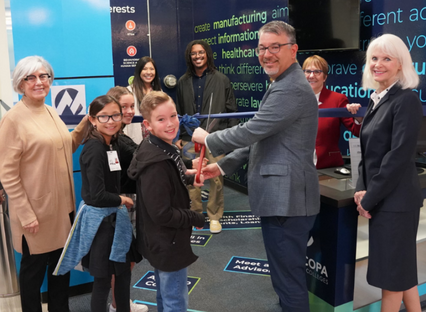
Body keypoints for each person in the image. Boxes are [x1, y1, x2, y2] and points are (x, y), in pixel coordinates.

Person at [192, 21, 320, 311]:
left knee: (289, 281)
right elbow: (262, 139)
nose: (267, 54)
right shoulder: (282, 84)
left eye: (276, 47)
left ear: (293, 49)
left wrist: (209, 138)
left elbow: (252, 130)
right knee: (283, 277)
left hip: (288, 201)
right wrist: (223, 166)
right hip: (282, 200)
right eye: (262, 48)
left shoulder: (291, 88)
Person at [0, 55, 88, 312]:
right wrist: (26, 215)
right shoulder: (13, 120)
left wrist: (85, 124)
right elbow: (7, 174)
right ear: (20, 83)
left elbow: (64, 148)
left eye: (44, 76)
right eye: (32, 77)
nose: (39, 82)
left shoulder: (50, 110)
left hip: (62, 210)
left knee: (61, 271)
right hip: (35, 214)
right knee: (33, 275)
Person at [353, 34, 423, 312]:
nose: (378, 64)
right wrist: (361, 189)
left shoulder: (406, 100)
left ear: (400, 65)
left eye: (386, 58)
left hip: (397, 204)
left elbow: (397, 158)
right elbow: (367, 152)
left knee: (392, 278)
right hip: (384, 200)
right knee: (401, 268)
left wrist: (368, 198)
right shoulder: (377, 99)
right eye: (373, 58)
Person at [128, 91, 205, 312]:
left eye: (173, 116)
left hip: (160, 239)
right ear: (148, 124)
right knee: (174, 300)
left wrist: (190, 177)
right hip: (167, 241)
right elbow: (162, 212)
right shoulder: (157, 162)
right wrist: (195, 217)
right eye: (161, 119)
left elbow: (168, 184)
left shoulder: (160, 147)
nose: (171, 124)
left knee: (166, 293)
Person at [79, 95, 136, 312]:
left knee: (122, 274)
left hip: (115, 220)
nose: (110, 121)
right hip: (102, 224)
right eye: (104, 117)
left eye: (115, 115)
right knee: (102, 281)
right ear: (93, 120)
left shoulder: (112, 143)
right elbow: (96, 195)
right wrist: (121, 199)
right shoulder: (94, 148)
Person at [176, 39, 238, 234]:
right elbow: (178, 111)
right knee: (192, 178)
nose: (197, 56)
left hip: (215, 138)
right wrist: (178, 134)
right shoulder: (182, 81)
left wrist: (229, 139)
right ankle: (196, 215)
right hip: (189, 137)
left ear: (207, 54)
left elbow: (231, 110)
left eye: (201, 52)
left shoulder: (222, 79)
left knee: (217, 180)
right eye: (194, 53)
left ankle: (214, 217)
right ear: (189, 57)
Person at [105, 87, 148, 312]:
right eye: (125, 107)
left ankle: (119, 302)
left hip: (126, 201)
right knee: (122, 258)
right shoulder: (116, 139)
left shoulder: (121, 135)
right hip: (122, 203)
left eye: (133, 106)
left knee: (126, 258)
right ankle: (118, 304)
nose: (130, 111)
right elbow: (141, 156)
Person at [302, 55, 362, 169]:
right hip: (298, 167)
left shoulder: (337, 99)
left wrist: (358, 119)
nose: (311, 76)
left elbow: (357, 131)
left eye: (317, 72)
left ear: (324, 77)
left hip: (328, 167)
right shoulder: (293, 99)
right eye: (308, 71)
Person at [126, 57, 162, 143]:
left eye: (151, 69)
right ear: (139, 71)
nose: (149, 72)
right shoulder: (129, 91)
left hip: (155, 137)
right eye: (145, 69)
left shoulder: (158, 91)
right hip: (137, 138)